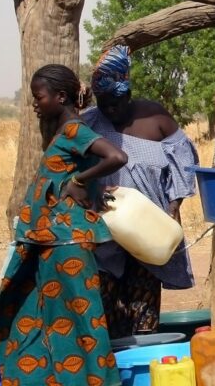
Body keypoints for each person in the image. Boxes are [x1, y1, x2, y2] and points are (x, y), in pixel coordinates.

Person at [0, 64, 127, 385]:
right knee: (37, 318)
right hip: (48, 242)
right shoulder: (63, 133)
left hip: (67, 244)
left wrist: (81, 181)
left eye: (39, 97)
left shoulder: (74, 131)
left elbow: (116, 157)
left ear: (61, 96)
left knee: (82, 323)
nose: (34, 104)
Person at [83, 45, 200, 338]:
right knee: (105, 311)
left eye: (116, 102)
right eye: (104, 102)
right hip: (104, 234)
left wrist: (174, 207)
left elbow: (183, 163)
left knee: (144, 309)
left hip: (148, 230)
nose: (110, 109)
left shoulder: (156, 118)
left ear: (128, 93)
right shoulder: (89, 123)